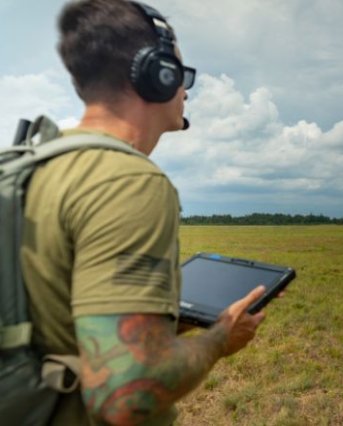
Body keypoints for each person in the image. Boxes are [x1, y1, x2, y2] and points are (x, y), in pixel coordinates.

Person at [20, 1, 269, 424]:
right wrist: (219, 339)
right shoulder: (129, 183)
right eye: (182, 76)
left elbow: (52, 323)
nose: (186, 92)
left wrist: (161, 329)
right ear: (158, 74)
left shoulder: (25, 165)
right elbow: (126, 393)